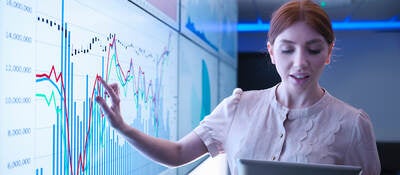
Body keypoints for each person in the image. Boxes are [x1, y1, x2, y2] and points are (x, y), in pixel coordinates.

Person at [95, 0, 381, 174]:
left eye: (313, 50)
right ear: (271, 52)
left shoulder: (352, 124)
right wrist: (125, 128)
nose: (299, 63)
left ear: (329, 52)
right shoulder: (237, 107)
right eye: (287, 49)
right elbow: (178, 154)